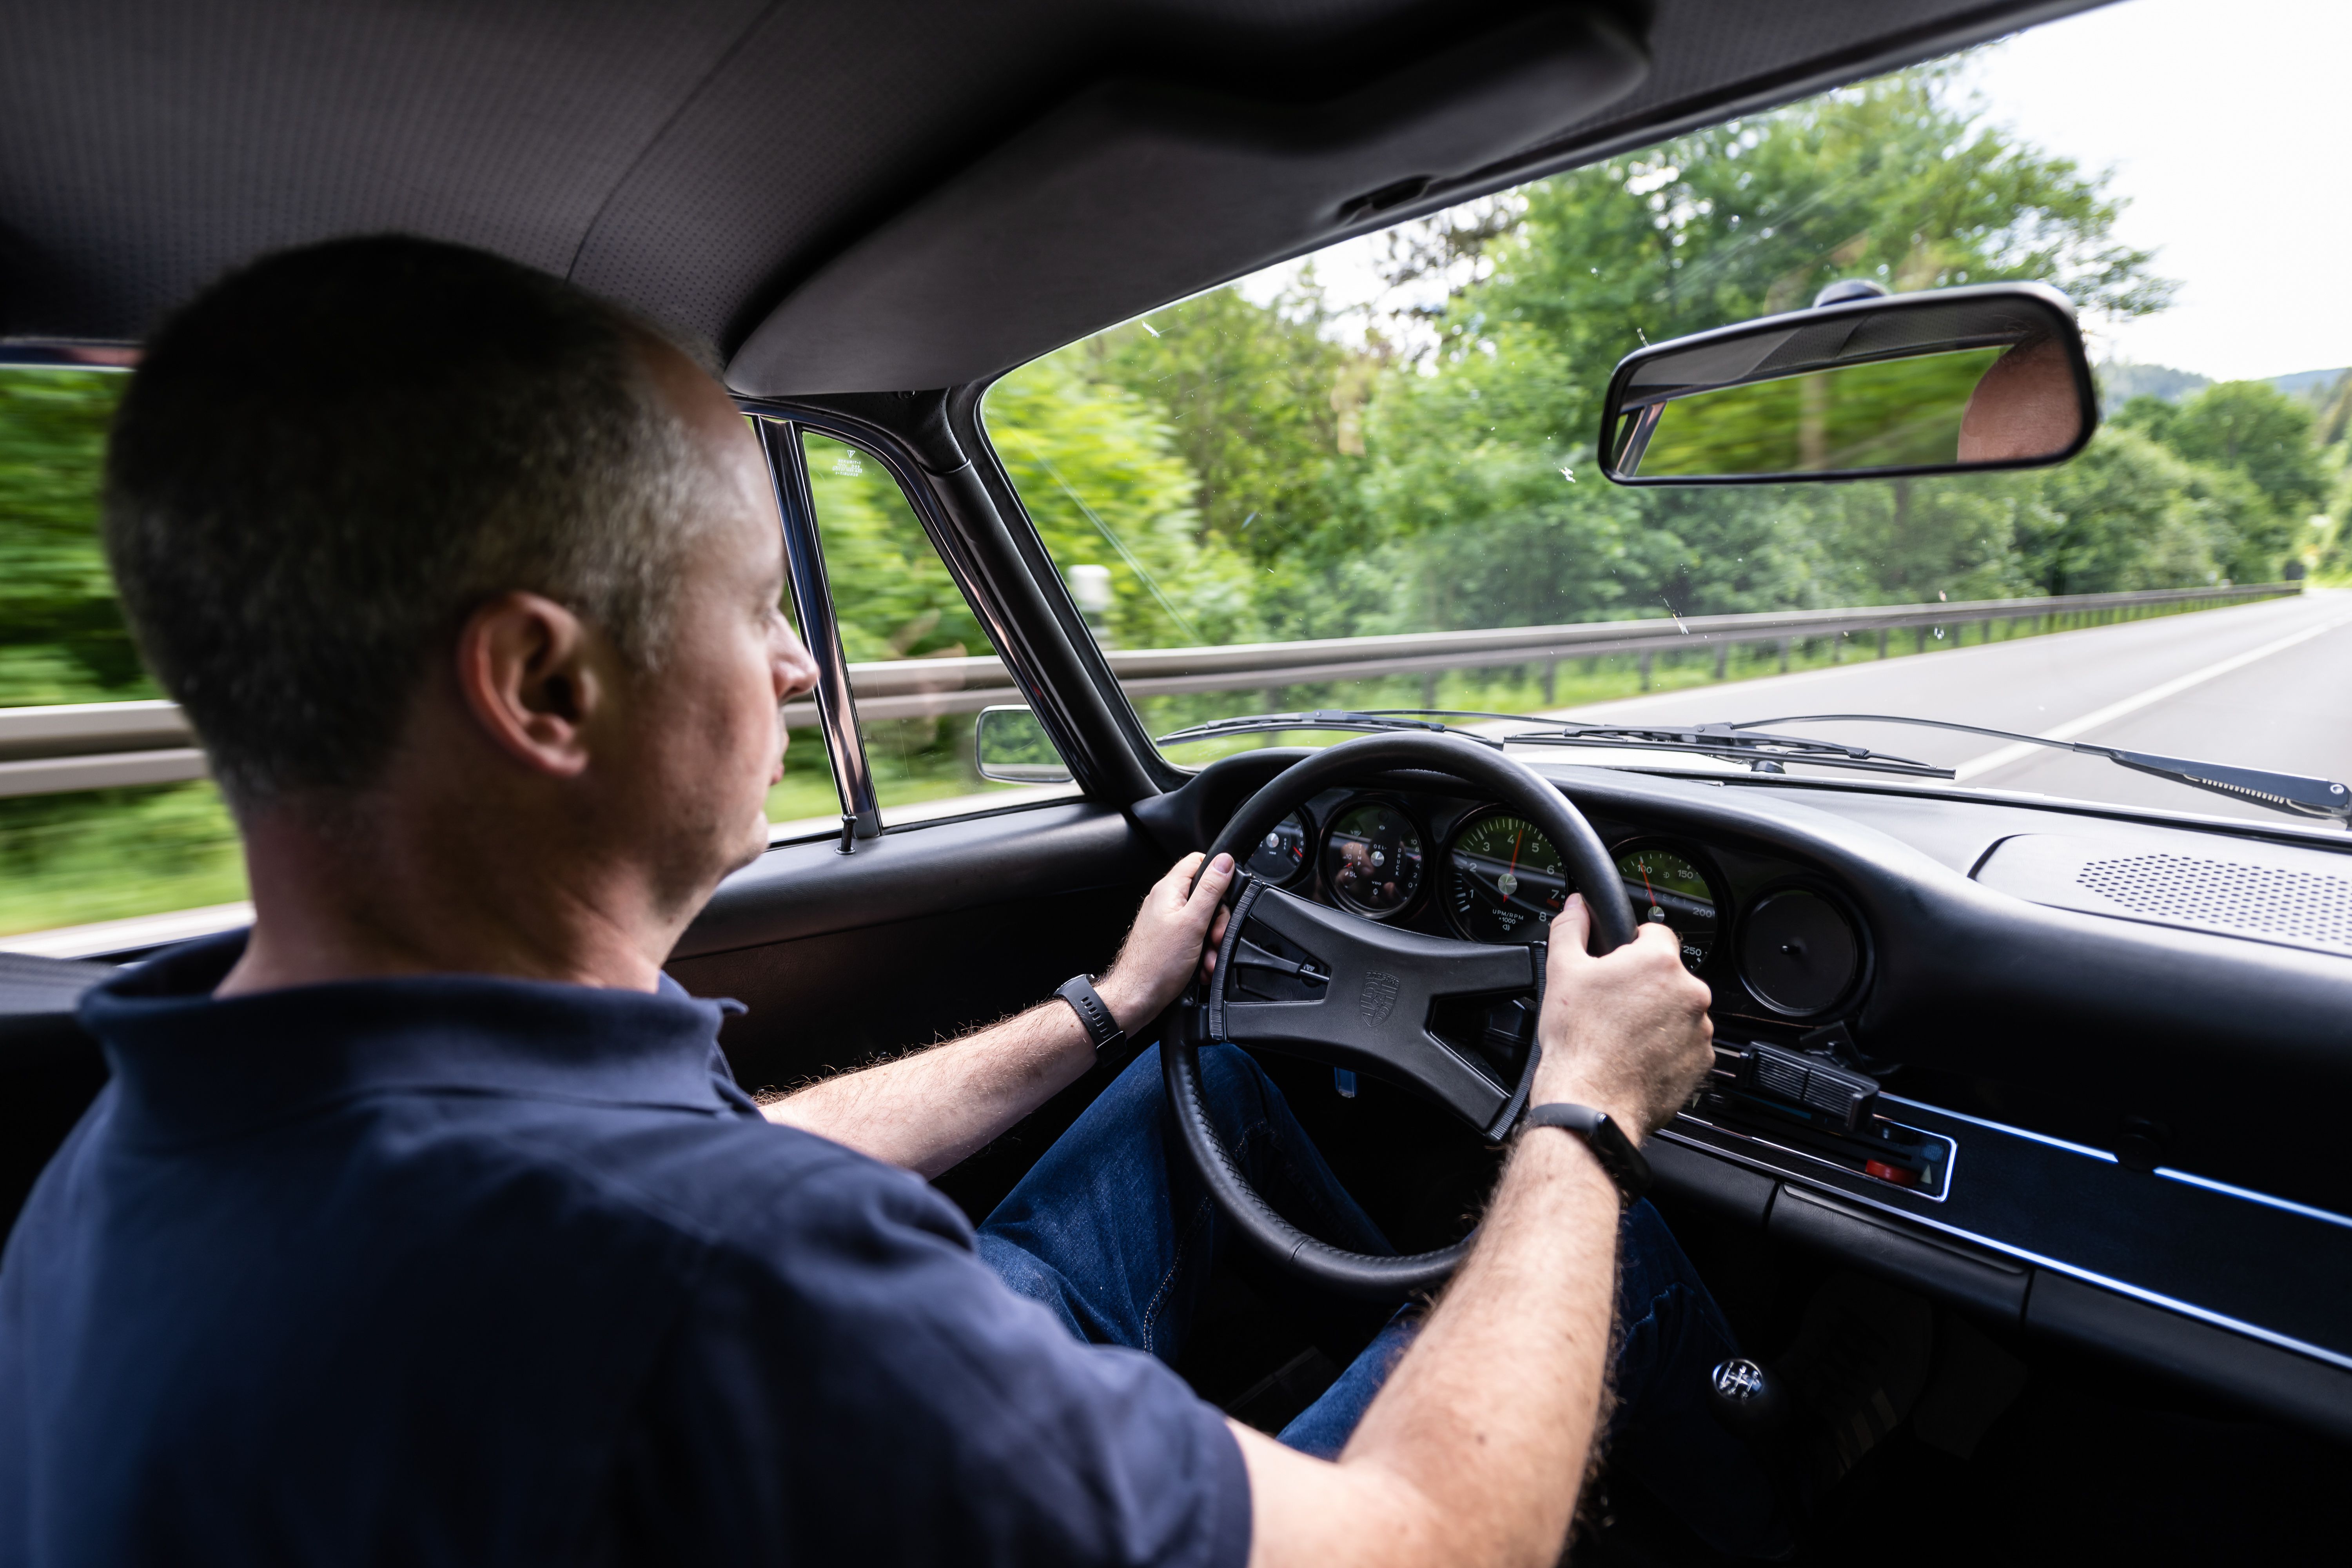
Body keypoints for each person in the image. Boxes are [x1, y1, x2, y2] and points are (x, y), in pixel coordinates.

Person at [0, 236, 1786, 1565]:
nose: (792, 666)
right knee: (1576, 1276)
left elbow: (743, 1166)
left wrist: (1104, 1009)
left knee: (1217, 1090)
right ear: (544, 690)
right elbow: (1430, 1539)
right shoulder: (718, 1281)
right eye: (757, 600)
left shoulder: (149, 1155)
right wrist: (1585, 1108)